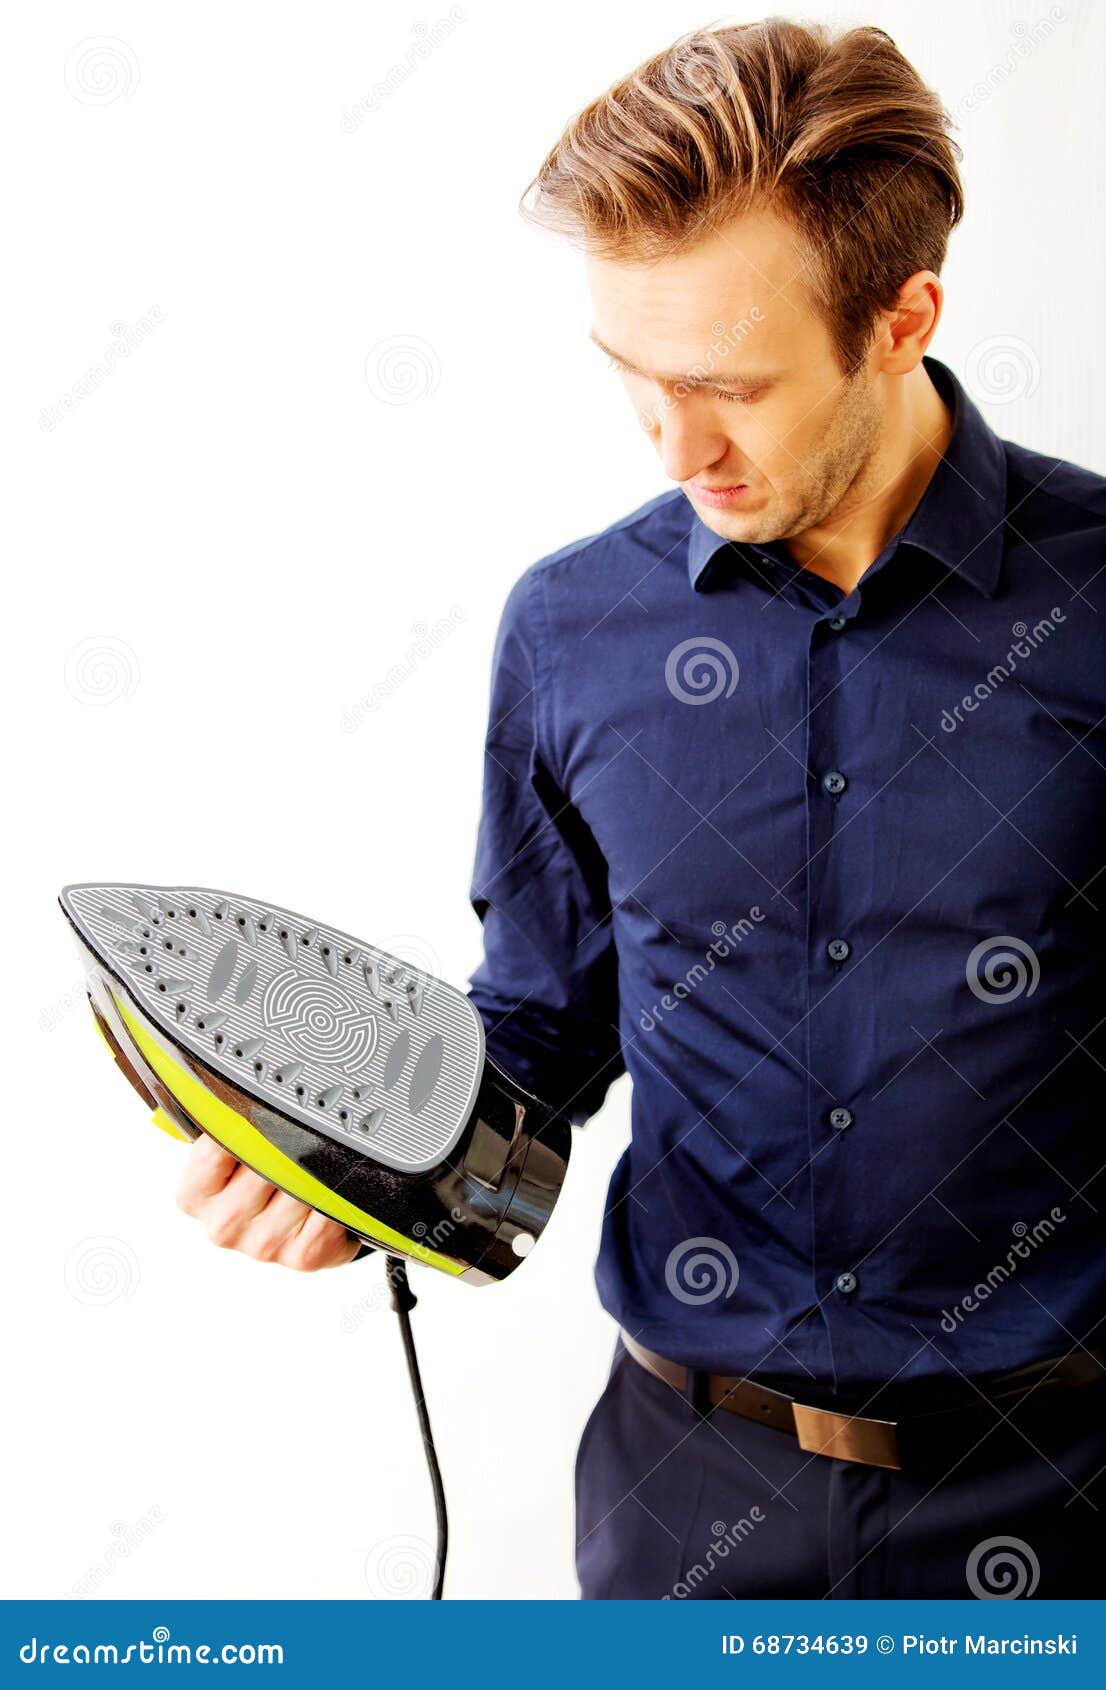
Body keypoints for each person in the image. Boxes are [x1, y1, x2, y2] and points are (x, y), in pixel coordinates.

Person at [175, 19, 1106, 1599]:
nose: (676, 447)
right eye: (633, 378)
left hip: (1064, 1505)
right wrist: (358, 1179)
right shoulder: (568, 630)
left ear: (901, 319)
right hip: (685, 1502)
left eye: (728, 388)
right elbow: (541, 1036)